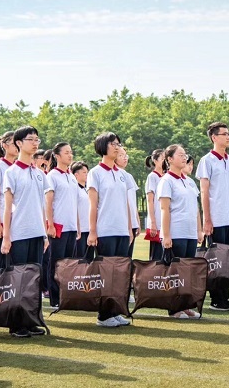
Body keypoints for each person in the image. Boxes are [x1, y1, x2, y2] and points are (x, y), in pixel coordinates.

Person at [1, 126, 50, 337]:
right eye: (31, 139)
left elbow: (41, 206)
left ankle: (31, 321)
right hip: (18, 234)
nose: (35, 143)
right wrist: (6, 236)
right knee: (18, 280)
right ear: (18, 143)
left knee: (34, 280)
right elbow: (7, 206)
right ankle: (16, 324)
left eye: (37, 139)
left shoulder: (39, 174)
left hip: (37, 233)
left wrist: (45, 233)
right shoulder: (11, 172)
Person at [86, 132, 132, 328]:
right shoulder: (95, 173)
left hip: (122, 230)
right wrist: (93, 231)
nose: (117, 146)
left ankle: (115, 311)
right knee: (107, 274)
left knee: (120, 274)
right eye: (113, 144)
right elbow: (93, 204)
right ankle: (104, 316)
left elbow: (126, 204)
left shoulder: (122, 175)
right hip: (105, 231)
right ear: (103, 147)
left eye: (118, 144)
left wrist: (130, 229)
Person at [196, 122, 229, 312]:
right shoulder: (206, 161)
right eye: (224, 134)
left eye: (228, 133)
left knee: (228, 260)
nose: (228, 137)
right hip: (215, 218)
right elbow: (204, 192)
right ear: (214, 137)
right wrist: (207, 219)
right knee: (216, 260)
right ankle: (216, 298)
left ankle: (225, 297)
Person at [159, 144, 203, 319]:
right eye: (180, 155)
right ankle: (173, 307)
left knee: (187, 271)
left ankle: (185, 305)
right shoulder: (166, 181)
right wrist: (166, 234)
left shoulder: (189, 181)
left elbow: (196, 208)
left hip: (190, 232)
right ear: (169, 159)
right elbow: (164, 209)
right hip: (176, 232)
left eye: (185, 155)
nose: (184, 158)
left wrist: (199, 230)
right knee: (174, 272)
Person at [44, 142, 79, 308]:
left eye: (71, 152)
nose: (70, 155)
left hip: (72, 227)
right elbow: (48, 202)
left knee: (68, 264)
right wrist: (50, 224)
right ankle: (55, 298)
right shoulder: (52, 176)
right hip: (58, 226)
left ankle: (66, 296)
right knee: (56, 263)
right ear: (57, 156)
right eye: (66, 152)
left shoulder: (72, 177)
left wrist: (77, 225)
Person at [0, 131, 18, 270]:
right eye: (14, 143)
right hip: (2, 217)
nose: (17, 147)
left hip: (17, 219)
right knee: (0, 259)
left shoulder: (18, 167)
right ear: (5, 146)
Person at [116, 149, 141, 258]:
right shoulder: (114, 174)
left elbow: (132, 201)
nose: (125, 158)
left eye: (126, 155)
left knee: (128, 258)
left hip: (132, 223)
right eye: (121, 155)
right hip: (122, 223)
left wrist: (137, 221)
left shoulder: (128, 176)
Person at [144, 149, 165, 261]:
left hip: (166, 223)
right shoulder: (152, 177)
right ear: (155, 161)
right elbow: (150, 201)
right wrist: (153, 222)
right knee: (156, 257)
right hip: (157, 221)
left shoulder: (167, 177)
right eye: (162, 159)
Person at [71, 161, 90, 257]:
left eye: (87, 172)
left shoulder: (88, 189)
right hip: (80, 230)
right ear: (76, 174)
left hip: (90, 229)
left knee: (90, 260)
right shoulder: (74, 189)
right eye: (84, 172)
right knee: (80, 259)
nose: (87, 175)